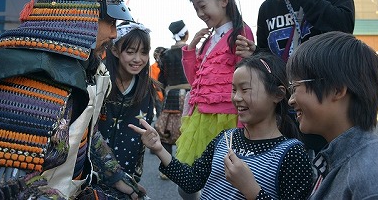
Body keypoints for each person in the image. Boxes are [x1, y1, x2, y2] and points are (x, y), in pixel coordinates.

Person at [0, 0, 146, 199]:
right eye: (109, 21)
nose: (114, 33)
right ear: (79, 15)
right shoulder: (30, 75)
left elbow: (82, 132)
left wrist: (114, 175)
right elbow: (5, 185)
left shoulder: (92, 68)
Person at [130, 52, 313, 199]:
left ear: (278, 94)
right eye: (233, 90)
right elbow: (192, 181)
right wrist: (159, 148)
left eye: (245, 89)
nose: (236, 98)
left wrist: (252, 191)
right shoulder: (226, 138)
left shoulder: (292, 154)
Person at [236, 0, 355, 155]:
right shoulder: (267, 8)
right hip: (288, 109)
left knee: (330, 167)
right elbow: (267, 54)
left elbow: (344, 28)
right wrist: (255, 55)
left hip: (327, 102)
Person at [176, 0, 254, 199]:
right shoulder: (209, 38)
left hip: (227, 120)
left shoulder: (240, 32)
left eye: (202, 6)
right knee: (189, 182)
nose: (200, 14)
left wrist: (244, 125)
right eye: (196, 8)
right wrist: (191, 49)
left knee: (222, 183)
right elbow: (196, 82)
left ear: (223, 1)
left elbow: (246, 83)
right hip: (201, 119)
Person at [286, 31, 378, 199]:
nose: (291, 100)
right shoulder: (338, 159)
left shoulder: (370, 178)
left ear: (337, 90)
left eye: (295, 87)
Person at [98, 22, 155, 184]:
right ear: (115, 50)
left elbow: (142, 140)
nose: (138, 59)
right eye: (130, 52)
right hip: (93, 169)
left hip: (127, 170)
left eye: (144, 53)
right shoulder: (99, 80)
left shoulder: (146, 88)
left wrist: (135, 177)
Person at [155, 20, 190, 179]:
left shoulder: (165, 54)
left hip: (170, 96)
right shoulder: (191, 51)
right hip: (189, 96)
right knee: (188, 129)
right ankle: (187, 165)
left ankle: (165, 169)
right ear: (186, 34)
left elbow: (161, 79)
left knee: (166, 131)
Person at [150, 46, 166, 118]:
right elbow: (153, 83)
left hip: (167, 94)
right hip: (159, 96)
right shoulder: (153, 67)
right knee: (160, 116)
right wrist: (157, 95)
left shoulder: (166, 66)